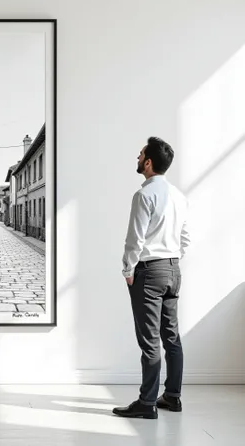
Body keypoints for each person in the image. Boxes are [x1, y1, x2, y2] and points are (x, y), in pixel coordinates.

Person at [112, 137, 191, 420]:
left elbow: (135, 239)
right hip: (173, 270)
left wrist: (128, 270)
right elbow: (185, 237)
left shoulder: (144, 195)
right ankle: (173, 396)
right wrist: (172, 259)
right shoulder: (179, 196)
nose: (138, 156)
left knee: (149, 341)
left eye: (141, 153)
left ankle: (147, 403)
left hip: (149, 271)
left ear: (148, 162)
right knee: (172, 337)